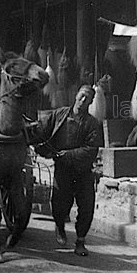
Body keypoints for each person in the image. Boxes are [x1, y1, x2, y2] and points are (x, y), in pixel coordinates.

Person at [35, 85, 102, 257]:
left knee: (86, 207)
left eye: (87, 99)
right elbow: (42, 128)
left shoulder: (92, 124)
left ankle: (80, 241)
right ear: (75, 95)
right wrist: (40, 145)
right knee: (59, 204)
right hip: (63, 170)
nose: (83, 101)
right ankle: (59, 226)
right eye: (81, 96)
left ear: (91, 102)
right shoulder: (59, 115)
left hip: (83, 171)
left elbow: (91, 149)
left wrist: (68, 155)